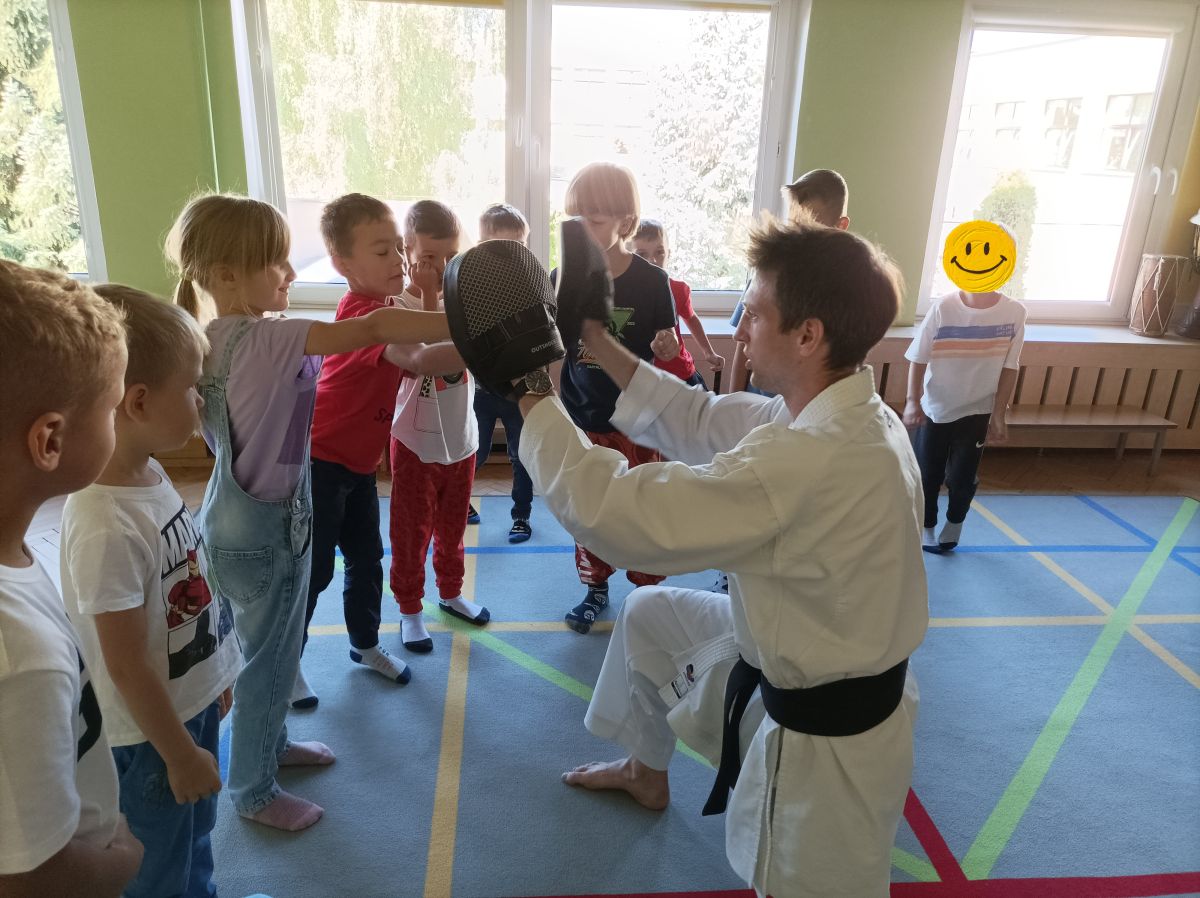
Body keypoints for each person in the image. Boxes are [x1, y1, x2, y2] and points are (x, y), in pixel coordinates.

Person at [457, 218, 928, 897]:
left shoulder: (811, 460)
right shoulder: (841, 412)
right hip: (805, 653)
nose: (740, 328)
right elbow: (702, 420)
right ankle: (645, 771)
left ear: (807, 335)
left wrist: (529, 387)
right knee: (650, 615)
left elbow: (618, 516)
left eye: (754, 313)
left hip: (829, 740)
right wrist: (593, 338)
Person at [167, 193, 449, 831]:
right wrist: (468, 318)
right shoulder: (268, 337)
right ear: (226, 276)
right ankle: (253, 791)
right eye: (276, 262)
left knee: (269, 654)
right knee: (267, 663)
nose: (291, 274)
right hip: (264, 528)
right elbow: (374, 329)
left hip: (240, 518)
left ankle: (271, 747)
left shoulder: (210, 338)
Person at [60, 285, 241, 897]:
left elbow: (184, 586)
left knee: (194, 836)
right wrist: (179, 752)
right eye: (192, 387)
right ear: (138, 402)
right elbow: (125, 663)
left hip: (185, 709)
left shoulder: (149, 472)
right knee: (158, 864)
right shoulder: (104, 524)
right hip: (152, 738)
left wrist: (212, 678)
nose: (201, 399)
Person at [0, 261, 144, 896]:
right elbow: (32, 878)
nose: (117, 421)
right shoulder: (17, 652)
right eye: (112, 408)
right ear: (50, 441)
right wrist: (122, 861)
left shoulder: (20, 560)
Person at [298, 193, 415, 710]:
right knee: (314, 570)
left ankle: (364, 644)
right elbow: (420, 359)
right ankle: (288, 662)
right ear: (342, 263)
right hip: (321, 463)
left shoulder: (389, 309)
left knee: (367, 560)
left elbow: (414, 356)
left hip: (359, 465)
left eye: (399, 248)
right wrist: (484, 340)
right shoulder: (363, 317)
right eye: (383, 251)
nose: (399, 260)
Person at [555, 162, 680, 634]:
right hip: (584, 417)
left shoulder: (651, 281)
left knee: (642, 508)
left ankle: (648, 591)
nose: (582, 228)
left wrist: (667, 345)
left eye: (595, 219)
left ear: (626, 221)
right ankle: (595, 588)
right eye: (574, 218)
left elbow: (667, 340)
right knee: (590, 510)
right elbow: (555, 347)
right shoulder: (562, 277)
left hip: (638, 419)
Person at [388, 200, 490, 655]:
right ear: (407, 251)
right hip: (415, 443)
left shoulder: (465, 300)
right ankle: (410, 610)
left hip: (462, 439)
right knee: (411, 533)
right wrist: (430, 294)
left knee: (452, 528)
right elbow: (426, 356)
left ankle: (450, 592)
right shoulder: (396, 305)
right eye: (429, 257)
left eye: (449, 256)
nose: (441, 267)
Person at [903, 275, 1026, 553]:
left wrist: (999, 414)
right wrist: (912, 401)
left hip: (977, 411)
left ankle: (955, 523)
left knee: (962, 477)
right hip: (936, 409)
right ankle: (927, 526)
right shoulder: (943, 307)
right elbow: (918, 357)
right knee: (927, 475)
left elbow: (1010, 367)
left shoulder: (1015, 312)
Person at [728, 168, 851, 396]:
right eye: (794, 224)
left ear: (840, 226)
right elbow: (742, 344)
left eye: (811, 228)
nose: (800, 237)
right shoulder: (767, 273)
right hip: (758, 404)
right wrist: (734, 401)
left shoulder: (842, 292)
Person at [471, 203, 536, 542]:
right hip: (481, 390)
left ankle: (521, 515)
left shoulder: (531, 287)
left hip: (518, 391)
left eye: (517, 246)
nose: (508, 256)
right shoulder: (470, 288)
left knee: (521, 456)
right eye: (497, 247)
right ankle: (459, 501)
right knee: (476, 451)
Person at [631, 218, 724, 388]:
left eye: (659, 252)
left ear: (669, 254)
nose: (653, 261)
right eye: (642, 254)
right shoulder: (624, 292)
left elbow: (691, 318)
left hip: (678, 373)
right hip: (641, 375)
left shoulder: (678, 289)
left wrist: (708, 352)